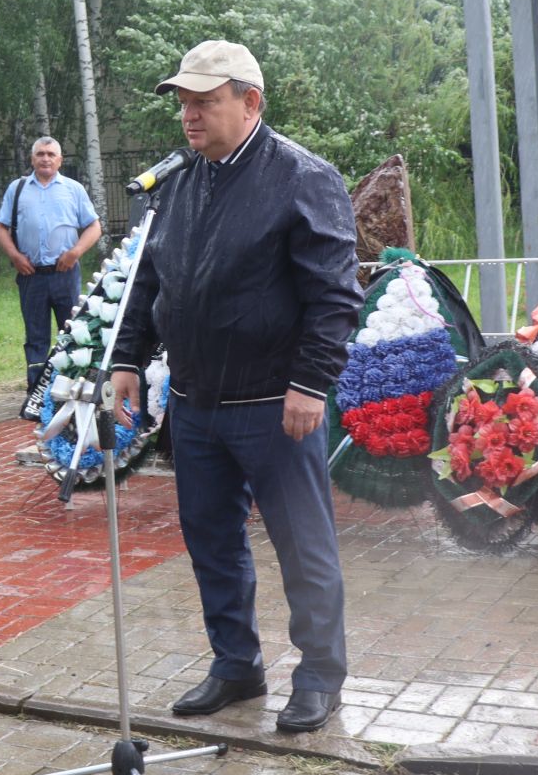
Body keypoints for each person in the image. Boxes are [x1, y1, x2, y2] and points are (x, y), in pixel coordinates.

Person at [110, 41, 362, 735]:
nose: (189, 116)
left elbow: (336, 296)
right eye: (184, 103)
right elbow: (149, 280)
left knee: (302, 543)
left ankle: (318, 675)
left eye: (204, 102)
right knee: (210, 539)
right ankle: (236, 664)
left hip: (275, 406)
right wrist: (127, 358)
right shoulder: (182, 184)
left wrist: (312, 382)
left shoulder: (302, 178)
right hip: (195, 406)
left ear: (250, 102)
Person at [0, 137, 102, 392]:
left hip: (65, 274)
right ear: (32, 159)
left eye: (51, 154)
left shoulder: (73, 189)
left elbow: (94, 226)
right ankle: (37, 393)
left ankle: (73, 387)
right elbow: (0, 226)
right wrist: (14, 256)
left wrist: (75, 252)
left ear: (60, 160)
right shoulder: (17, 189)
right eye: (40, 154)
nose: (45, 159)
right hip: (31, 275)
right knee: (36, 337)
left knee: (73, 332)